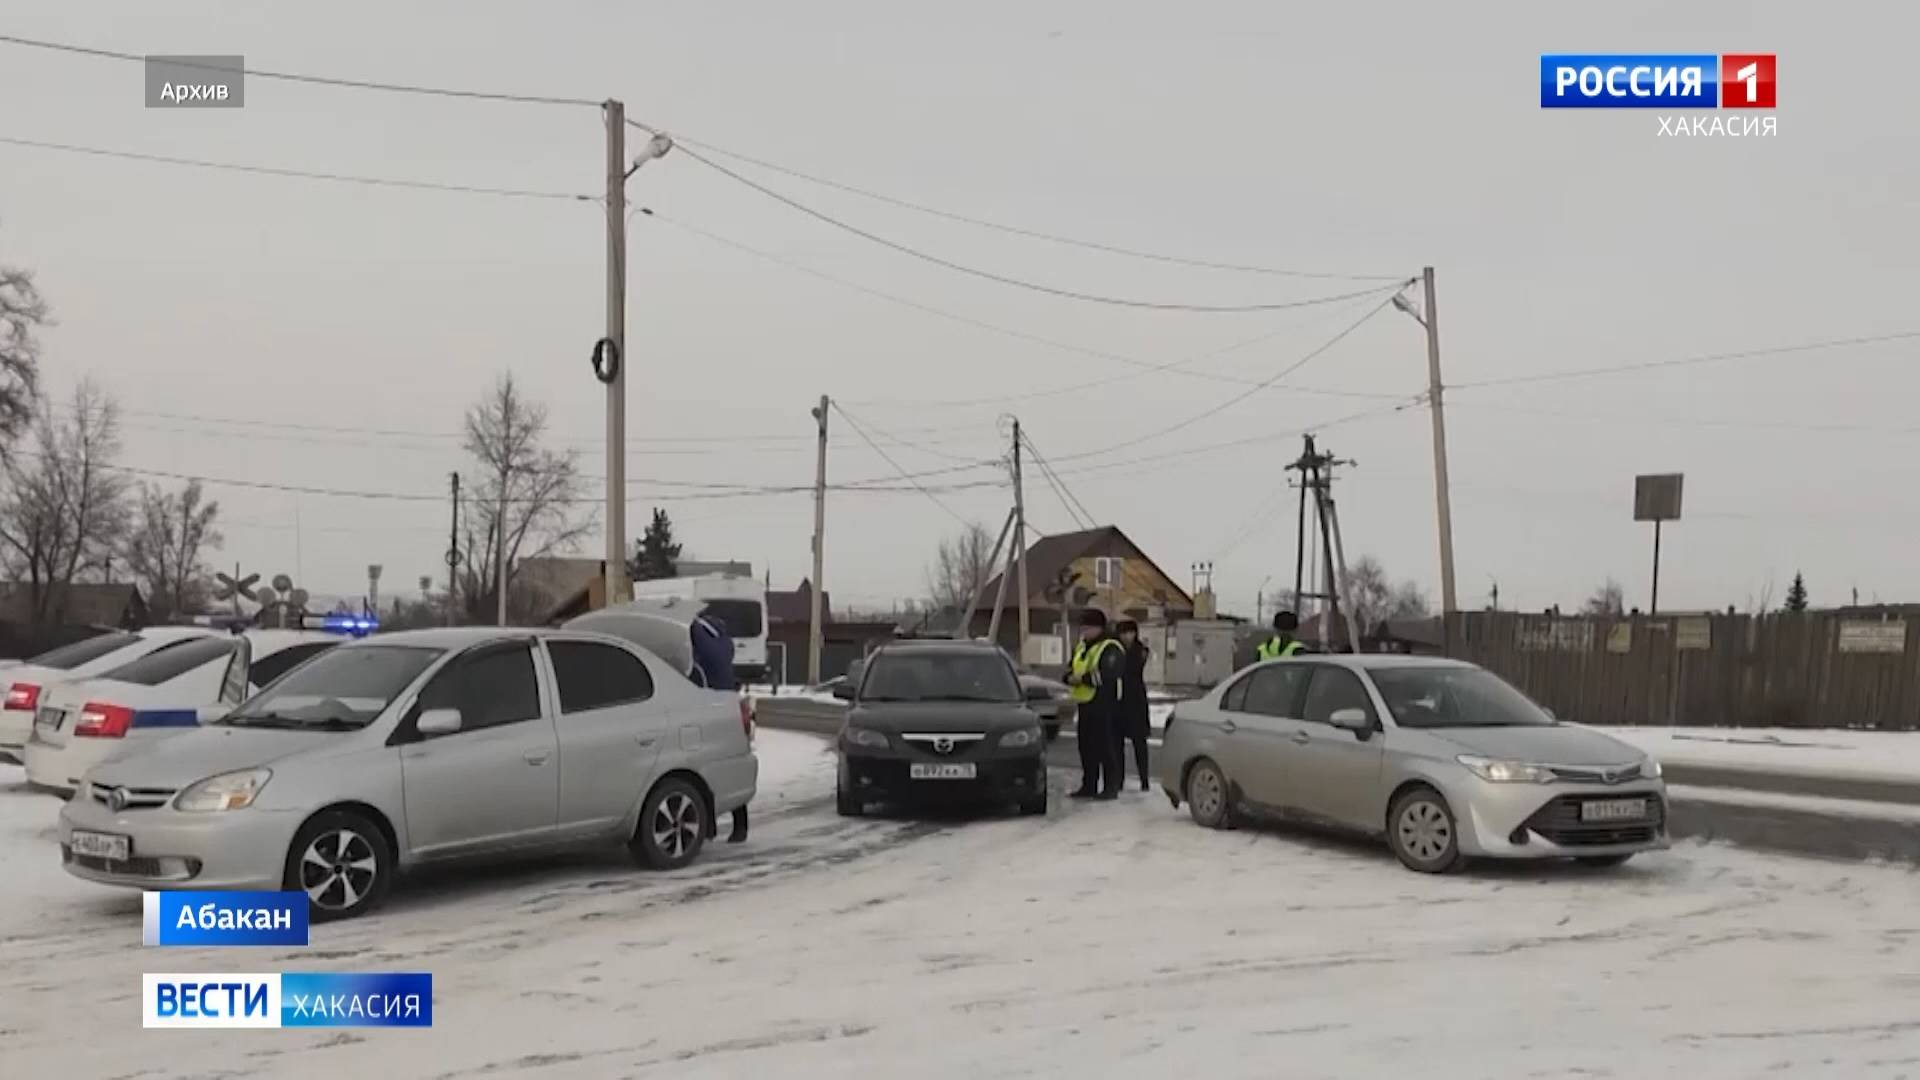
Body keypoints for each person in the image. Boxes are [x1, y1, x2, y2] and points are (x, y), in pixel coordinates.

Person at [688, 608, 749, 843]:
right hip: (725, 706)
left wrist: (689, 623)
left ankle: (716, 827)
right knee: (722, 767)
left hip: (714, 708)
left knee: (708, 768)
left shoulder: (707, 641)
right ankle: (733, 826)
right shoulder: (724, 643)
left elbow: (703, 657)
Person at [1065, 609, 1125, 800]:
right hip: (1085, 703)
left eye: (1087, 627)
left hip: (1105, 703)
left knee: (1105, 746)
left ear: (1099, 628)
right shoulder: (1082, 647)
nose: (1084, 631)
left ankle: (1110, 787)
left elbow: (1109, 674)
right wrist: (1068, 677)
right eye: (1082, 627)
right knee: (1086, 747)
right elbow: (1070, 668)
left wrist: (1081, 679)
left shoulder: (1111, 646)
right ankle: (1089, 784)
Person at [1113, 619, 1152, 792]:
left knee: (1140, 743)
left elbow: (1133, 667)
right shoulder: (1113, 650)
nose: (1127, 636)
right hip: (1118, 700)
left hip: (1136, 700)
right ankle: (1118, 779)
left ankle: (1144, 780)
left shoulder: (1140, 650)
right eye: (1124, 633)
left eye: (1131, 632)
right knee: (1116, 743)